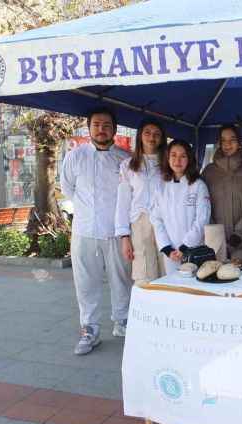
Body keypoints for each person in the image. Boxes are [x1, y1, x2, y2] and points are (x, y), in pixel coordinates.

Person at [60, 107, 132, 355]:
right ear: (89, 127)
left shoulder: (125, 159)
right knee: (85, 282)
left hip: (116, 231)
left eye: (107, 125)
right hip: (84, 231)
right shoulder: (75, 156)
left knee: (121, 278)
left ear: (114, 129)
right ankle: (89, 328)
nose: (101, 129)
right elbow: (68, 188)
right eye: (97, 124)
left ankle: (122, 322)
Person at [115, 119, 167, 286]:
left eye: (157, 134)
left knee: (168, 271)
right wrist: (124, 237)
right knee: (145, 275)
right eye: (147, 133)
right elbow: (123, 203)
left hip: (166, 222)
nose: (152, 137)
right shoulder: (128, 166)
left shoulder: (169, 164)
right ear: (140, 136)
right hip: (140, 223)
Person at [151, 140, 211, 275]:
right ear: (167, 158)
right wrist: (167, 248)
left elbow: (202, 219)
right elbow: (156, 219)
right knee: (174, 290)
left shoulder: (198, 185)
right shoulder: (161, 186)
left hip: (193, 249)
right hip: (171, 253)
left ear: (189, 159)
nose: (177, 160)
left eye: (183, 156)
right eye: (173, 155)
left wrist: (185, 246)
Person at [202, 124, 242, 260]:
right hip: (215, 241)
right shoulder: (209, 172)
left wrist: (239, 234)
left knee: (241, 278)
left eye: (232, 139)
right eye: (223, 140)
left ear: (239, 143)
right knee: (216, 278)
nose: (227, 144)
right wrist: (214, 231)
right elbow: (203, 205)